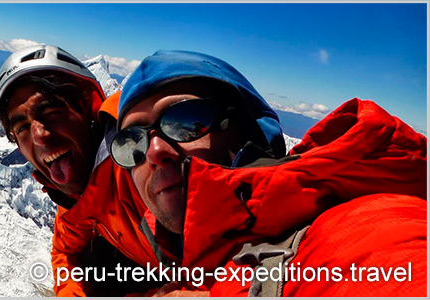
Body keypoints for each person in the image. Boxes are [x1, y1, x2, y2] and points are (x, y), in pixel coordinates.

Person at [109, 50, 427, 296]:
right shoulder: (193, 264)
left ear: (248, 132)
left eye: (186, 121)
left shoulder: (360, 230)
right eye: (131, 141)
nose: (153, 152)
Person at [0, 45, 175, 296]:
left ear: (88, 108)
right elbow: (64, 251)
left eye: (50, 111)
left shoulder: (142, 166)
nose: (39, 137)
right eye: (22, 127)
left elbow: (240, 265)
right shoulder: (75, 195)